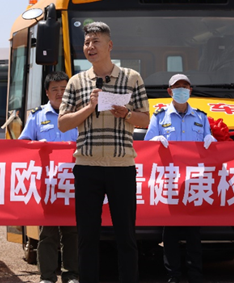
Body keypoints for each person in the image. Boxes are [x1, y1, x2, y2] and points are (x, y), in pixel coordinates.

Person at [58, 22, 150, 283]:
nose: (90, 47)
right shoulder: (77, 81)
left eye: (95, 41)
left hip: (121, 167)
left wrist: (127, 114)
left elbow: (146, 120)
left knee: (126, 235)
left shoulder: (132, 78)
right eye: (87, 42)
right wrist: (90, 107)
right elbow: (63, 123)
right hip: (87, 168)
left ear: (109, 45)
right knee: (87, 236)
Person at [144, 73, 216, 283]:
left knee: (194, 233)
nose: (182, 90)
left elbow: (208, 149)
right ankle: (173, 274)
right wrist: (155, 140)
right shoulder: (159, 118)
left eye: (185, 86)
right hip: (170, 182)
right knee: (171, 233)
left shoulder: (201, 118)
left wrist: (210, 140)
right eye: (177, 87)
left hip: (194, 182)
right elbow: (147, 148)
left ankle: (195, 274)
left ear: (190, 91)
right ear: (170, 91)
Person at [19, 71, 80, 283]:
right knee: (47, 233)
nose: (60, 93)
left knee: (72, 233)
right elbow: (23, 144)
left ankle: (71, 274)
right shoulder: (37, 116)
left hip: (74, 183)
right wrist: (37, 146)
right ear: (47, 92)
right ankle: (47, 276)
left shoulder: (79, 115)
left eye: (64, 89)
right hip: (48, 185)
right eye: (55, 89)